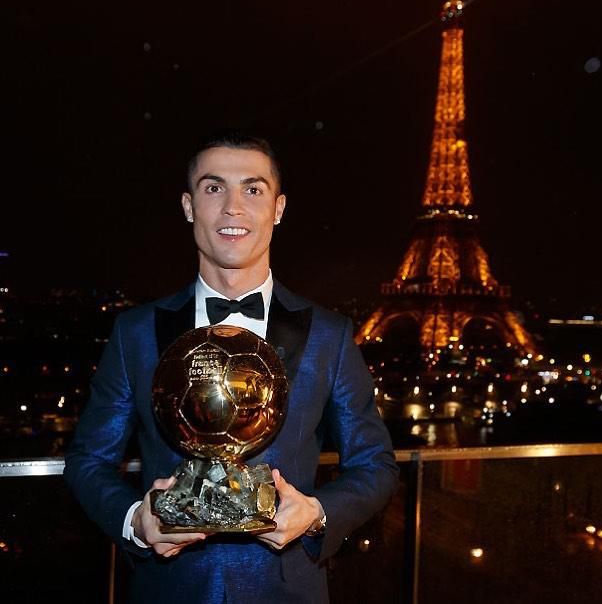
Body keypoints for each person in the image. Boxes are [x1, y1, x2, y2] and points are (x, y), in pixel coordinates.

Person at [64, 131, 399, 603]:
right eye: (214, 187)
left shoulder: (331, 335)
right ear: (188, 205)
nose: (233, 208)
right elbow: (88, 461)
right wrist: (135, 520)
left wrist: (318, 512)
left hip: (288, 592)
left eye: (253, 189)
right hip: (169, 590)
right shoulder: (134, 333)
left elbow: (376, 465)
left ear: (278, 209)